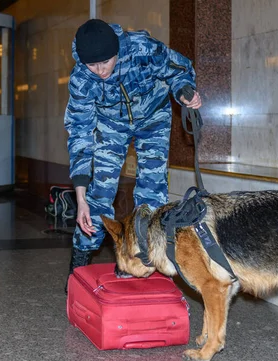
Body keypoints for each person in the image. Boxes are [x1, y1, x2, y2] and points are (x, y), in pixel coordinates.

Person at [64, 19, 202, 291]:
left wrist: (184, 91)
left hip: (153, 118)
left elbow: (178, 69)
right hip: (110, 124)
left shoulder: (142, 48)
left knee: (152, 193)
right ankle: (80, 259)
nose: (100, 71)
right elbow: (80, 132)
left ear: (117, 51)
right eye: (93, 65)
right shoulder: (81, 79)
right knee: (98, 193)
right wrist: (80, 196)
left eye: (106, 62)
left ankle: (141, 259)